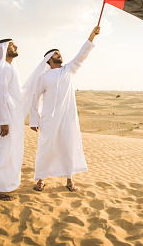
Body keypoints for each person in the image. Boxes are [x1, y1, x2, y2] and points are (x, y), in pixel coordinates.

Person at [24, 26, 100, 192]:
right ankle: (40, 180)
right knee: (45, 148)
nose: (60, 55)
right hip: (48, 119)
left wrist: (91, 36)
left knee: (68, 147)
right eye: (56, 54)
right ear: (49, 60)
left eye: (60, 53)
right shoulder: (43, 78)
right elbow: (34, 98)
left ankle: (69, 180)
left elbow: (82, 55)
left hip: (67, 118)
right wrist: (34, 120)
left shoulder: (69, 70)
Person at [0, 38, 25, 201]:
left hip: (3, 114)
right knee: (1, 151)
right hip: (1, 115)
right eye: (11, 45)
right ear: (2, 49)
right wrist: (4, 122)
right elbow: (0, 95)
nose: (16, 46)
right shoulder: (3, 67)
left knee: (4, 150)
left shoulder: (6, 67)